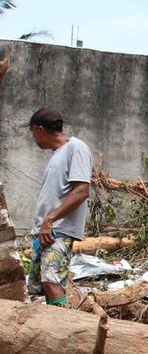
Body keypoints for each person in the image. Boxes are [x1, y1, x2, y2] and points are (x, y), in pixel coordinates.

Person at [27, 108, 92, 306]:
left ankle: (64, 330)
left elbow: (81, 191)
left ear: (39, 130)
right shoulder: (57, 154)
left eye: (32, 133)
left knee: (51, 280)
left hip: (58, 230)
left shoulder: (76, 148)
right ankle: (50, 328)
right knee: (40, 286)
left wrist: (50, 220)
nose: (33, 138)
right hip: (46, 231)